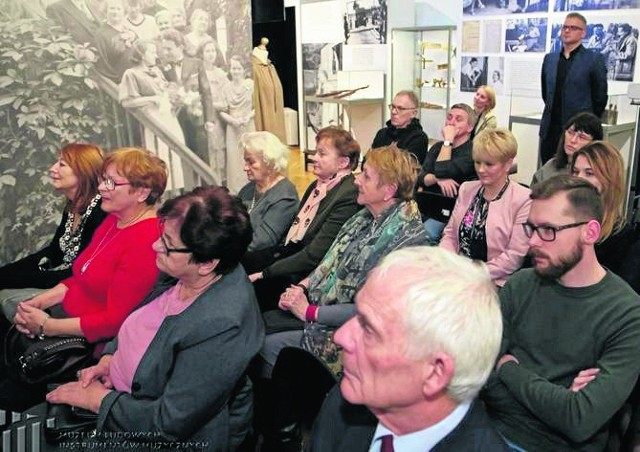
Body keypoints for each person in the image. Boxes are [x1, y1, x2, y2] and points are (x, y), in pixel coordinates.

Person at [47, 186, 264, 450]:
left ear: (207, 263)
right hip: (123, 399)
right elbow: (140, 319)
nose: (155, 245)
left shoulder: (222, 324)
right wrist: (110, 359)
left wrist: (98, 401)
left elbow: (168, 424)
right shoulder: (186, 270)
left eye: (168, 245)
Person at [0, 148, 167, 411]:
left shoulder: (146, 240)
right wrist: (41, 300)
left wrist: (47, 325)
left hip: (83, 351)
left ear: (142, 192)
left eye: (111, 182)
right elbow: (81, 275)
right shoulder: (114, 220)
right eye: (102, 179)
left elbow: (115, 323)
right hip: (61, 325)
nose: (101, 187)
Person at [481, 175, 640, 451]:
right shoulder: (519, 285)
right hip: (489, 430)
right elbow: (481, 379)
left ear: (589, 232)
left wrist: (508, 368)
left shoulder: (627, 314)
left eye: (548, 230)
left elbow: (579, 419)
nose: (532, 242)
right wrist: (557, 398)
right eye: (530, 228)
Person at [309, 247, 509, 451]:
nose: (340, 336)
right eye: (356, 315)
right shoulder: (348, 401)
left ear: (434, 373)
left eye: (369, 329)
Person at [258, 144, 427, 378]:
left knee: (266, 344)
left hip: (361, 335)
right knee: (260, 323)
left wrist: (309, 312)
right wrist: (302, 287)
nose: (357, 181)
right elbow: (330, 262)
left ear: (388, 191)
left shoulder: (407, 242)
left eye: (366, 176)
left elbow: (371, 311)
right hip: (323, 309)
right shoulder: (363, 217)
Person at [245, 127, 361, 311]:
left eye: (322, 154)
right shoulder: (318, 185)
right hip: (293, 252)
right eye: (316, 152)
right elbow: (292, 234)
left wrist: (265, 273)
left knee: (253, 279)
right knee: (242, 261)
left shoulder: (348, 193)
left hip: (310, 272)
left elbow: (315, 254)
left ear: (343, 162)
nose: (314, 157)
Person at [0, 144, 106, 299]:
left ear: (84, 171)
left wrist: (8, 279)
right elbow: (53, 253)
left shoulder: (101, 211)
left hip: (82, 290)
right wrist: (5, 273)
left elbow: (79, 272)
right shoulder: (72, 206)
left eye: (62, 164)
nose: (52, 168)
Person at [440, 129, 531, 287]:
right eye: (477, 162)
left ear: (507, 164)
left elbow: (514, 257)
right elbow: (450, 235)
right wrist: (446, 262)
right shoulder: (466, 189)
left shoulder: (523, 199)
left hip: (493, 281)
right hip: (457, 272)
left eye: (489, 164)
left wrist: (472, 273)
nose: (481, 170)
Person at [540, 12, 608, 164]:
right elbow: (546, 94)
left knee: (575, 176)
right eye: (564, 27)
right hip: (550, 131)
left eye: (573, 27)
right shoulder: (550, 59)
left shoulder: (593, 60)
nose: (567, 31)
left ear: (583, 32)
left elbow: (600, 98)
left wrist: (586, 124)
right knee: (548, 174)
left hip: (578, 133)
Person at [119, 39, 185, 189]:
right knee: (159, 155)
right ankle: (161, 191)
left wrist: (176, 97)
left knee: (175, 154)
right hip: (153, 120)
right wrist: (152, 99)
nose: (156, 56)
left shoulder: (156, 71)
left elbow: (165, 91)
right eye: (152, 52)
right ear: (142, 55)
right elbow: (126, 102)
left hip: (167, 116)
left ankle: (174, 192)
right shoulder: (131, 74)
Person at [570, 141, 638, 275]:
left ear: (609, 178)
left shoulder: (623, 238)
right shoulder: (561, 219)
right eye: (575, 172)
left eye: (589, 173)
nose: (578, 179)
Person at [417, 103, 477, 244]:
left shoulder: (472, 152)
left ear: (470, 127)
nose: (451, 122)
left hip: (452, 212)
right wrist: (439, 179)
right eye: (449, 117)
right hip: (426, 205)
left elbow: (441, 169)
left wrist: (448, 141)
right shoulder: (437, 147)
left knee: (422, 236)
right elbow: (420, 177)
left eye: (458, 119)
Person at [159, 29, 215, 167]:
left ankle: (207, 188)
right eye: (163, 48)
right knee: (181, 159)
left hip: (197, 118)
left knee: (202, 157)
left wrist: (209, 119)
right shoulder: (161, 68)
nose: (165, 52)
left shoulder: (196, 63)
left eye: (169, 48)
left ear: (181, 47)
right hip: (175, 120)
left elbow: (206, 92)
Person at [237, 131, 299, 252]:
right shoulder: (248, 189)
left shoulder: (285, 197)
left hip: (261, 262)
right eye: (245, 161)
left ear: (269, 161)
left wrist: (222, 253)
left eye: (251, 162)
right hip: (240, 254)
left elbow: (262, 242)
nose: (245, 168)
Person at [531, 112, 603, 185]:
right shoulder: (550, 166)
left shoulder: (598, 173)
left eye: (582, 137)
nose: (573, 140)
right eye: (570, 133)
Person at [221, 55, 256, 194]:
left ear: (243, 70)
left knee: (250, 155)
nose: (235, 71)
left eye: (238, 68)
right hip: (233, 127)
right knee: (235, 161)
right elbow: (222, 111)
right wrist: (233, 120)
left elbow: (257, 107)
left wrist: (248, 117)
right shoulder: (226, 88)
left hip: (248, 126)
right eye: (233, 68)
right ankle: (235, 192)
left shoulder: (251, 85)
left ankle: (252, 188)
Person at [371, 90, 429, 164]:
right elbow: (366, 162)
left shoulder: (419, 138)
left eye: (400, 108)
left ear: (413, 113)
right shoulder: (382, 133)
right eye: (392, 107)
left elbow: (405, 170)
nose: (393, 112)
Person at [199, 38, 228, 181]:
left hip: (216, 116)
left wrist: (215, 105)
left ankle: (219, 178)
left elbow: (226, 98)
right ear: (202, 53)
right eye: (207, 51)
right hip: (200, 114)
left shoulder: (220, 74)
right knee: (207, 147)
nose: (211, 54)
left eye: (213, 51)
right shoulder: (199, 72)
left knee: (218, 146)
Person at [93, 0, 137, 82]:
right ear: (106, 11)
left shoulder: (131, 32)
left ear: (124, 12)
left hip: (138, 78)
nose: (115, 12)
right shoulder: (101, 35)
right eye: (112, 8)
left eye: (118, 9)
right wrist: (118, 81)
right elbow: (102, 66)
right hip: (120, 82)